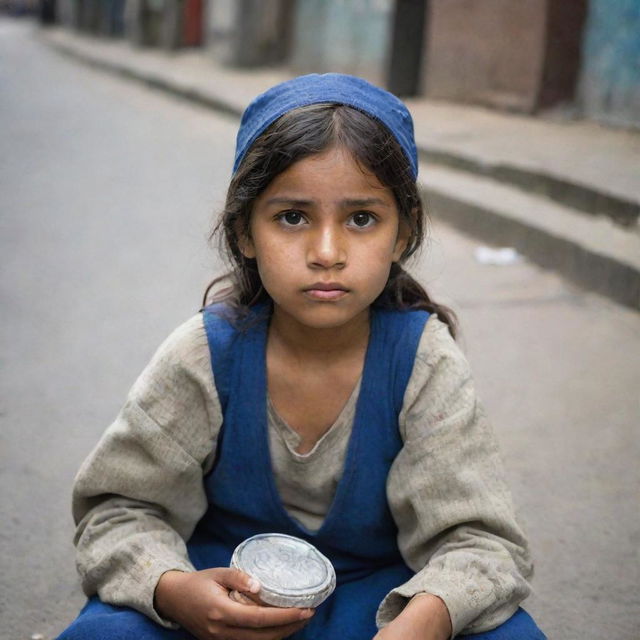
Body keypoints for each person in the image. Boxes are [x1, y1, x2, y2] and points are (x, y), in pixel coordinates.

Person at [57, 73, 546, 640]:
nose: (327, 253)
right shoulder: (204, 354)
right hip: (224, 599)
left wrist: (428, 617)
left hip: (381, 604)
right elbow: (118, 510)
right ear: (244, 232)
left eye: (362, 218)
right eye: (292, 217)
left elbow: (481, 543)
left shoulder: (422, 363)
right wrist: (173, 589)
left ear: (402, 235)